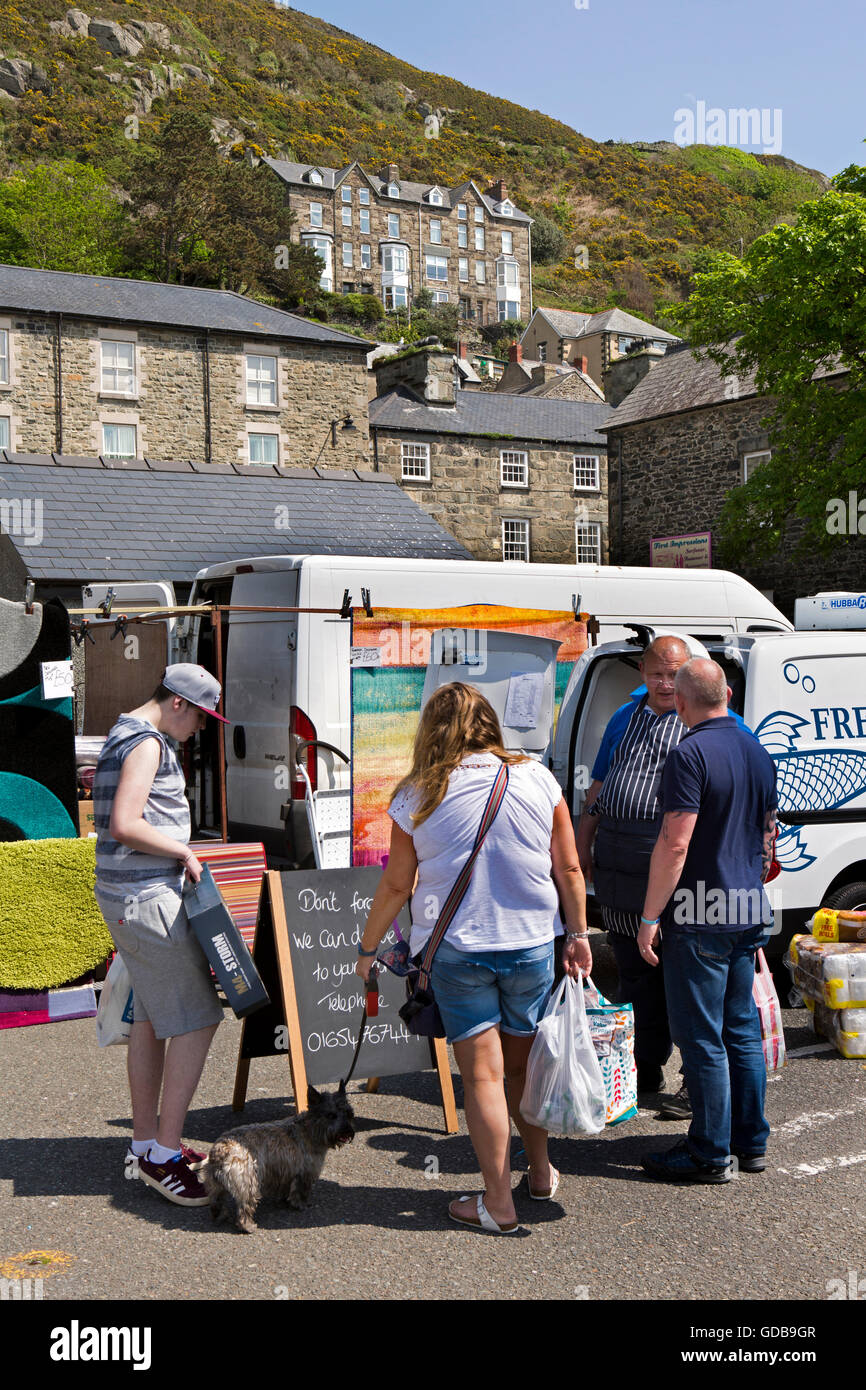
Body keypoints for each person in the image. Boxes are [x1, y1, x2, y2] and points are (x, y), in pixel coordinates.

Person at [355, 682, 592, 1234]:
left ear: (431, 729)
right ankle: (539, 1173)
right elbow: (570, 868)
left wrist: (368, 950)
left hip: (456, 950)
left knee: (483, 1079)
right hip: (532, 943)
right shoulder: (536, 776)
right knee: (522, 1068)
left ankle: (497, 1204)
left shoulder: (417, 793)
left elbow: (396, 884)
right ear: (489, 723)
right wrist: (577, 933)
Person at [92, 664, 229, 1207]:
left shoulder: (122, 731)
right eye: (200, 715)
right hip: (147, 898)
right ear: (177, 703)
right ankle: (163, 1154)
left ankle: (147, 1142)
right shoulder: (147, 742)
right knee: (199, 1016)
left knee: (150, 1017)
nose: (201, 727)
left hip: (127, 895)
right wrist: (184, 850)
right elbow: (126, 822)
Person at [638, 658, 777, 1183]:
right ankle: (751, 1142)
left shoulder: (689, 753)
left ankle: (709, 1152)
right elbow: (768, 840)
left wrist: (651, 915)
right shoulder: (756, 750)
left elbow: (676, 842)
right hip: (746, 911)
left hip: (698, 915)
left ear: (682, 699)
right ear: (728, 693)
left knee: (701, 1039)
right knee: (740, 1031)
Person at [575, 635, 693, 1114]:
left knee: (681, 974)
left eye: (674, 674)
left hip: (670, 865)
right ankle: (644, 1067)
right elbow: (598, 787)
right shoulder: (625, 717)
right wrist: (581, 845)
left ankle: (694, 1081)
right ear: (642, 673)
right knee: (631, 970)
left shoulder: (699, 719)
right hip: (618, 863)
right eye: (656, 674)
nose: (665, 683)